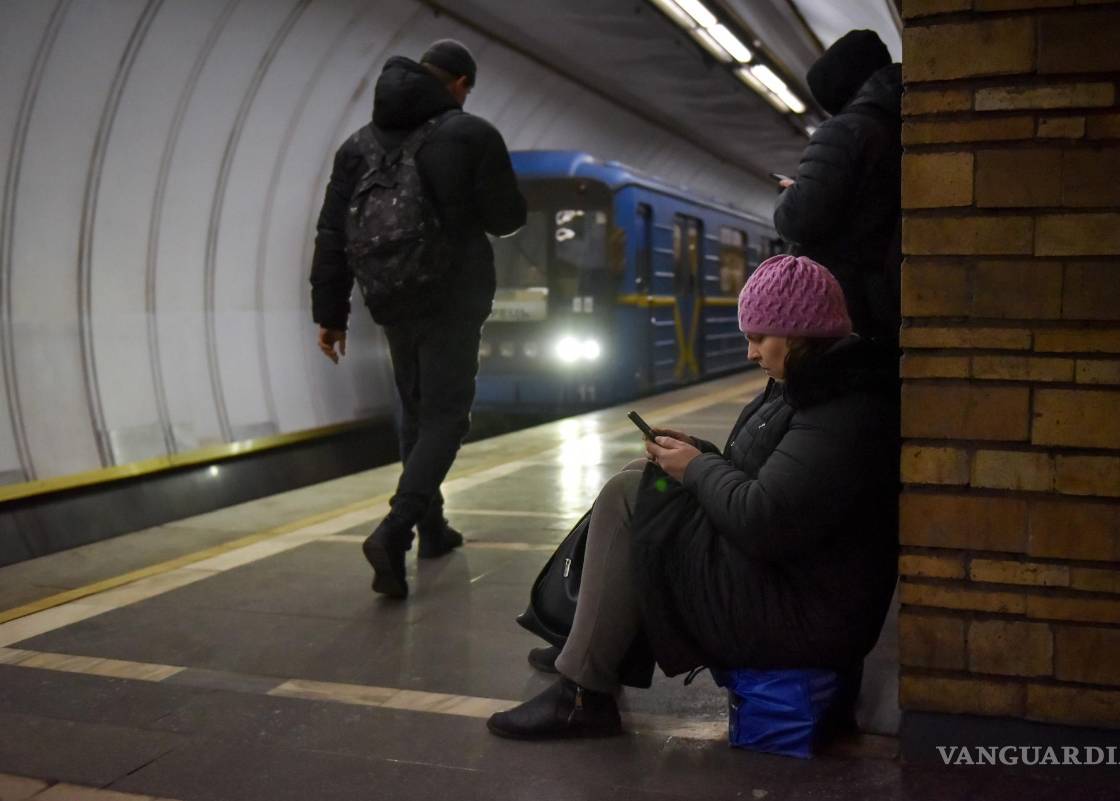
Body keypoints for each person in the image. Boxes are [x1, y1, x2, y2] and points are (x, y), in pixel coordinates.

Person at [486, 254, 899, 739]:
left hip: (805, 612)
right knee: (644, 476)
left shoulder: (840, 407)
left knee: (630, 494)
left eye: (759, 337)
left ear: (800, 332)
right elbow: (763, 479)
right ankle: (590, 647)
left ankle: (581, 693)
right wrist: (692, 453)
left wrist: (697, 467)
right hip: (792, 582)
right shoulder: (806, 383)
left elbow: (764, 522)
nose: (750, 353)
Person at [310, 39, 526, 599]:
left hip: (389, 297)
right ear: (458, 83)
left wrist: (330, 314)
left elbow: (332, 233)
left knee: (416, 409)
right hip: (452, 297)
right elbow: (507, 219)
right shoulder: (470, 133)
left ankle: (433, 528)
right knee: (447, 417)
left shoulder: (356, 147)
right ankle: (396, 529)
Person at [774, 29, 901, 344]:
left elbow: (800, 220)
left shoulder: (845, 131)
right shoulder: (898, 123)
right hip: (885, 294)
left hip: (844, 301)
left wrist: (791, 192)